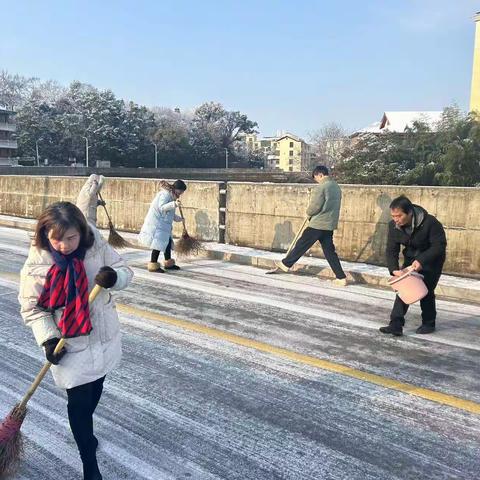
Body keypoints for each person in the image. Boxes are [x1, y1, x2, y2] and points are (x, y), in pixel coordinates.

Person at [18, 202, 133, 480]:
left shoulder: (96, 246)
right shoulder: (39, 261)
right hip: (70, 342)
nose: (63, 245)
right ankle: (88, 461)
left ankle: (86, 434)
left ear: (81, 231)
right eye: (56, 238)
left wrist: (114, 277)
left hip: (103, 336)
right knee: (79, 405)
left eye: (70, 238)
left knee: (95, 389)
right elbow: (32, 307)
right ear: (46, 234)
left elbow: (125, 270)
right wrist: (48, 338)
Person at [379, 195, 447, 337]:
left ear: (410, 213)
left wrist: (422, 260)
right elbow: (391, 249)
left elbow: (439, 246)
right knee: (404, 289)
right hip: (411, 258)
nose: (396, 219)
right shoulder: (394, 226)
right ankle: (396, 324)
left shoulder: (430, 223)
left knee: (425, 289)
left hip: (431, 260)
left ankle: (429, 322)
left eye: (399, 216)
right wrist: (394, 270)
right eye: (393, 216)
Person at [274, 165, 348, 286]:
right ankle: (341, 277)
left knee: (302, 244)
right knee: (330, 252)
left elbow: (315, 206)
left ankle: (286, 263)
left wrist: (308, 212)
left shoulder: (321, 187)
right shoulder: (336, 186)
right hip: (329, 224)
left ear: (320, 175)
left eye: (316, 178)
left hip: (318, 223)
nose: (317, 180)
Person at [139, 179, 187, 273]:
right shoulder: (165, 194)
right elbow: (162, 208)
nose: (181, 193)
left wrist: (179, 219)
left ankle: (168, 263)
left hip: (164, 225)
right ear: (176, 188)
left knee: (167, 243)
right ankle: (153, 265)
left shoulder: (172, 196)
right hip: (158, 224)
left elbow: (170, 213)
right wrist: (174, 204)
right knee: (157, 244)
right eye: (180, 191)